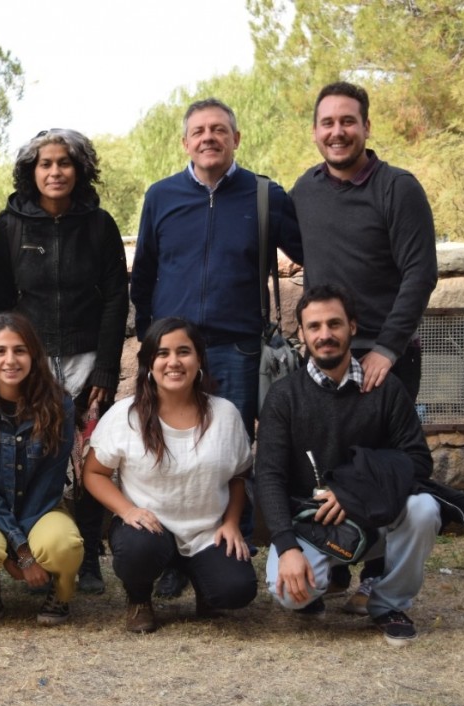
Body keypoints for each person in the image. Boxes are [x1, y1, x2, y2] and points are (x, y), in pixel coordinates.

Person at [130, 97, 303, 598]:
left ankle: (231, 550)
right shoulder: (161, 196)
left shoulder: (265, 195)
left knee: (231, 453)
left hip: (238, 347)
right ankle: (169, 558)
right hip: (171, 352)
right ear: (185, 142)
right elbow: (143, 275)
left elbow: (313, 254)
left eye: (219, 130)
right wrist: (150, 340)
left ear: (236, 139)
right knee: (163, 450)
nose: (209, 137)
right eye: (199, 131)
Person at [290, 81, 438, 613]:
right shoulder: (304, 192)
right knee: (328, 459)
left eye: (347, 121)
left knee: (383, 467)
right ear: (315, 132)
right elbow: (294, 245)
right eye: (327, 123)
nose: (337, 132)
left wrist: (387, 349)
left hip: (385, 354)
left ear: (366, 127)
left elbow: (422, 273)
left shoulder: (398, 188)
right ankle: (331, 558)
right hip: (330, 350)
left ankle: (378, 578)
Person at [255, 284, 440, 647]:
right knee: (291, 595)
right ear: (303, 335)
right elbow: (269, 477)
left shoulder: (386, 389)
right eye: (315, 327)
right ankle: (321, 579)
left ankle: (388, 604)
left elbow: (419, 460)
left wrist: (353, 490)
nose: (325, 335)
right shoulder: (284, 396)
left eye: (334, 324)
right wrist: (287, 547)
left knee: (423, 509)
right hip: (314, 524)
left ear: (352, 327)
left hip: (375, 516)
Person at [0, 128, 128, 595]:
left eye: (64, 163)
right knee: (34, 457)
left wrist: (107, 368)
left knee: (91, 458)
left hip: (89, 357)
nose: (54, 171)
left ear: (80, 169)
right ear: (30, 171)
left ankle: (87, 556)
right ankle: (27, 553)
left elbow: (115, 299)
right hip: (30, 362)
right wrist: (6, 362)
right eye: (44, 164)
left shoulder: (100, 225)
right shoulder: (9, 226)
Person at [83, 317, 257, 633]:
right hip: (148, 531)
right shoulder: (126, 415)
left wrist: (231, 523)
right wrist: (127, 510)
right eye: (163, 353)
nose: (173, 362)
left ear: (199, 359)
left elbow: (239, 475)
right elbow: (93, 472)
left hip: (206, 533)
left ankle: (206, 588)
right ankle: (138, 599)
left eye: (184, 352)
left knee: (236, 590)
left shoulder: (224, 414)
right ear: (150, 362)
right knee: (138, 551)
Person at [0, 313, 83, 626]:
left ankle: (62, 593)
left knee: (63, 546)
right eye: (0, 351)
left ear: (34, 355)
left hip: (43, 508)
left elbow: (50, 482)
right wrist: (21, 551)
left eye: (20, 350)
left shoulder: (59, 405)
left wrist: (19, 548)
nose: (11, 360)